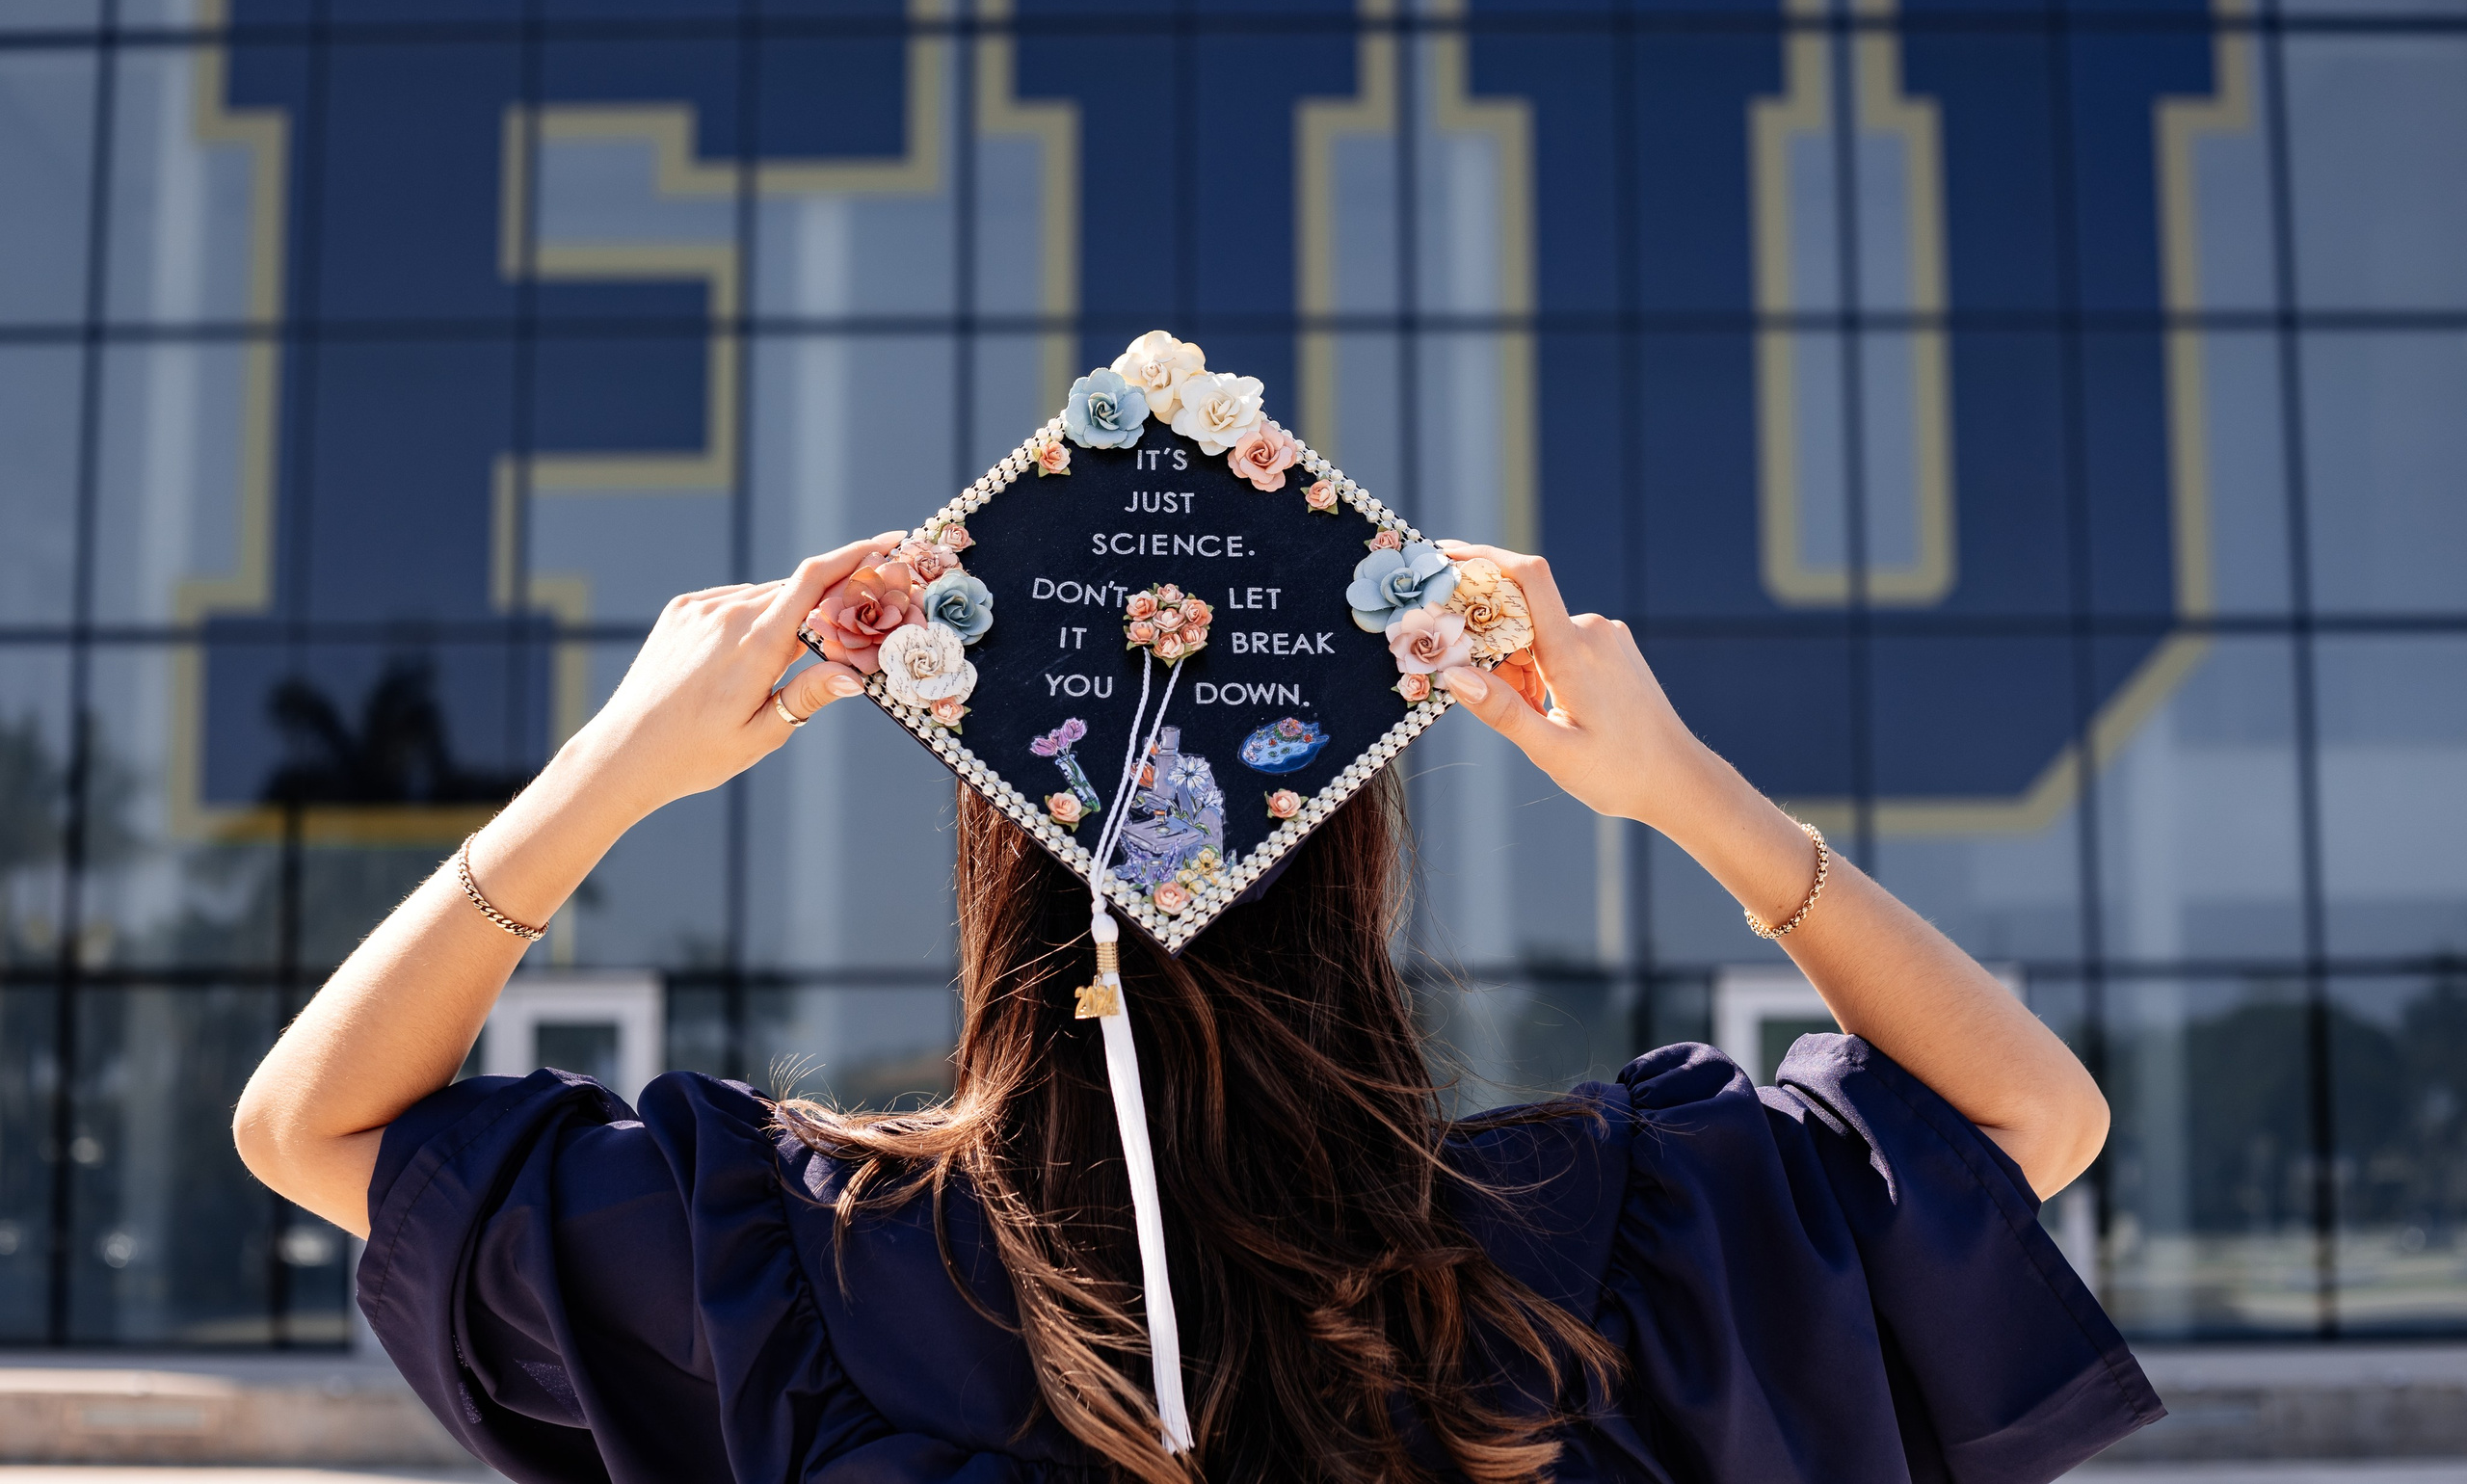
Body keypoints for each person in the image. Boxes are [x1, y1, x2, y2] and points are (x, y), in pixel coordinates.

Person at [233, 535, 2157, 1484]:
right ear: (1357, 870)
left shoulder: (794, 1270)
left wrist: (610, 772)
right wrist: (1681, 795)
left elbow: (309, 1128)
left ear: (999, 870)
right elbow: (2027, 1125)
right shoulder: (1592, 1250)